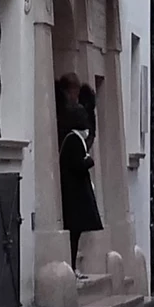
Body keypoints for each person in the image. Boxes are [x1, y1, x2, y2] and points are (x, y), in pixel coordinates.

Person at [57, 83, 102, 271]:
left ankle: (74, 267)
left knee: (76, 233)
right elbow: (76, 163)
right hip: (74, 195)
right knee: (74, 233)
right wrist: (89, 161)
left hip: (75, 194)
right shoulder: (73, 139)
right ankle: (72, 267)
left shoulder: (74, 138)